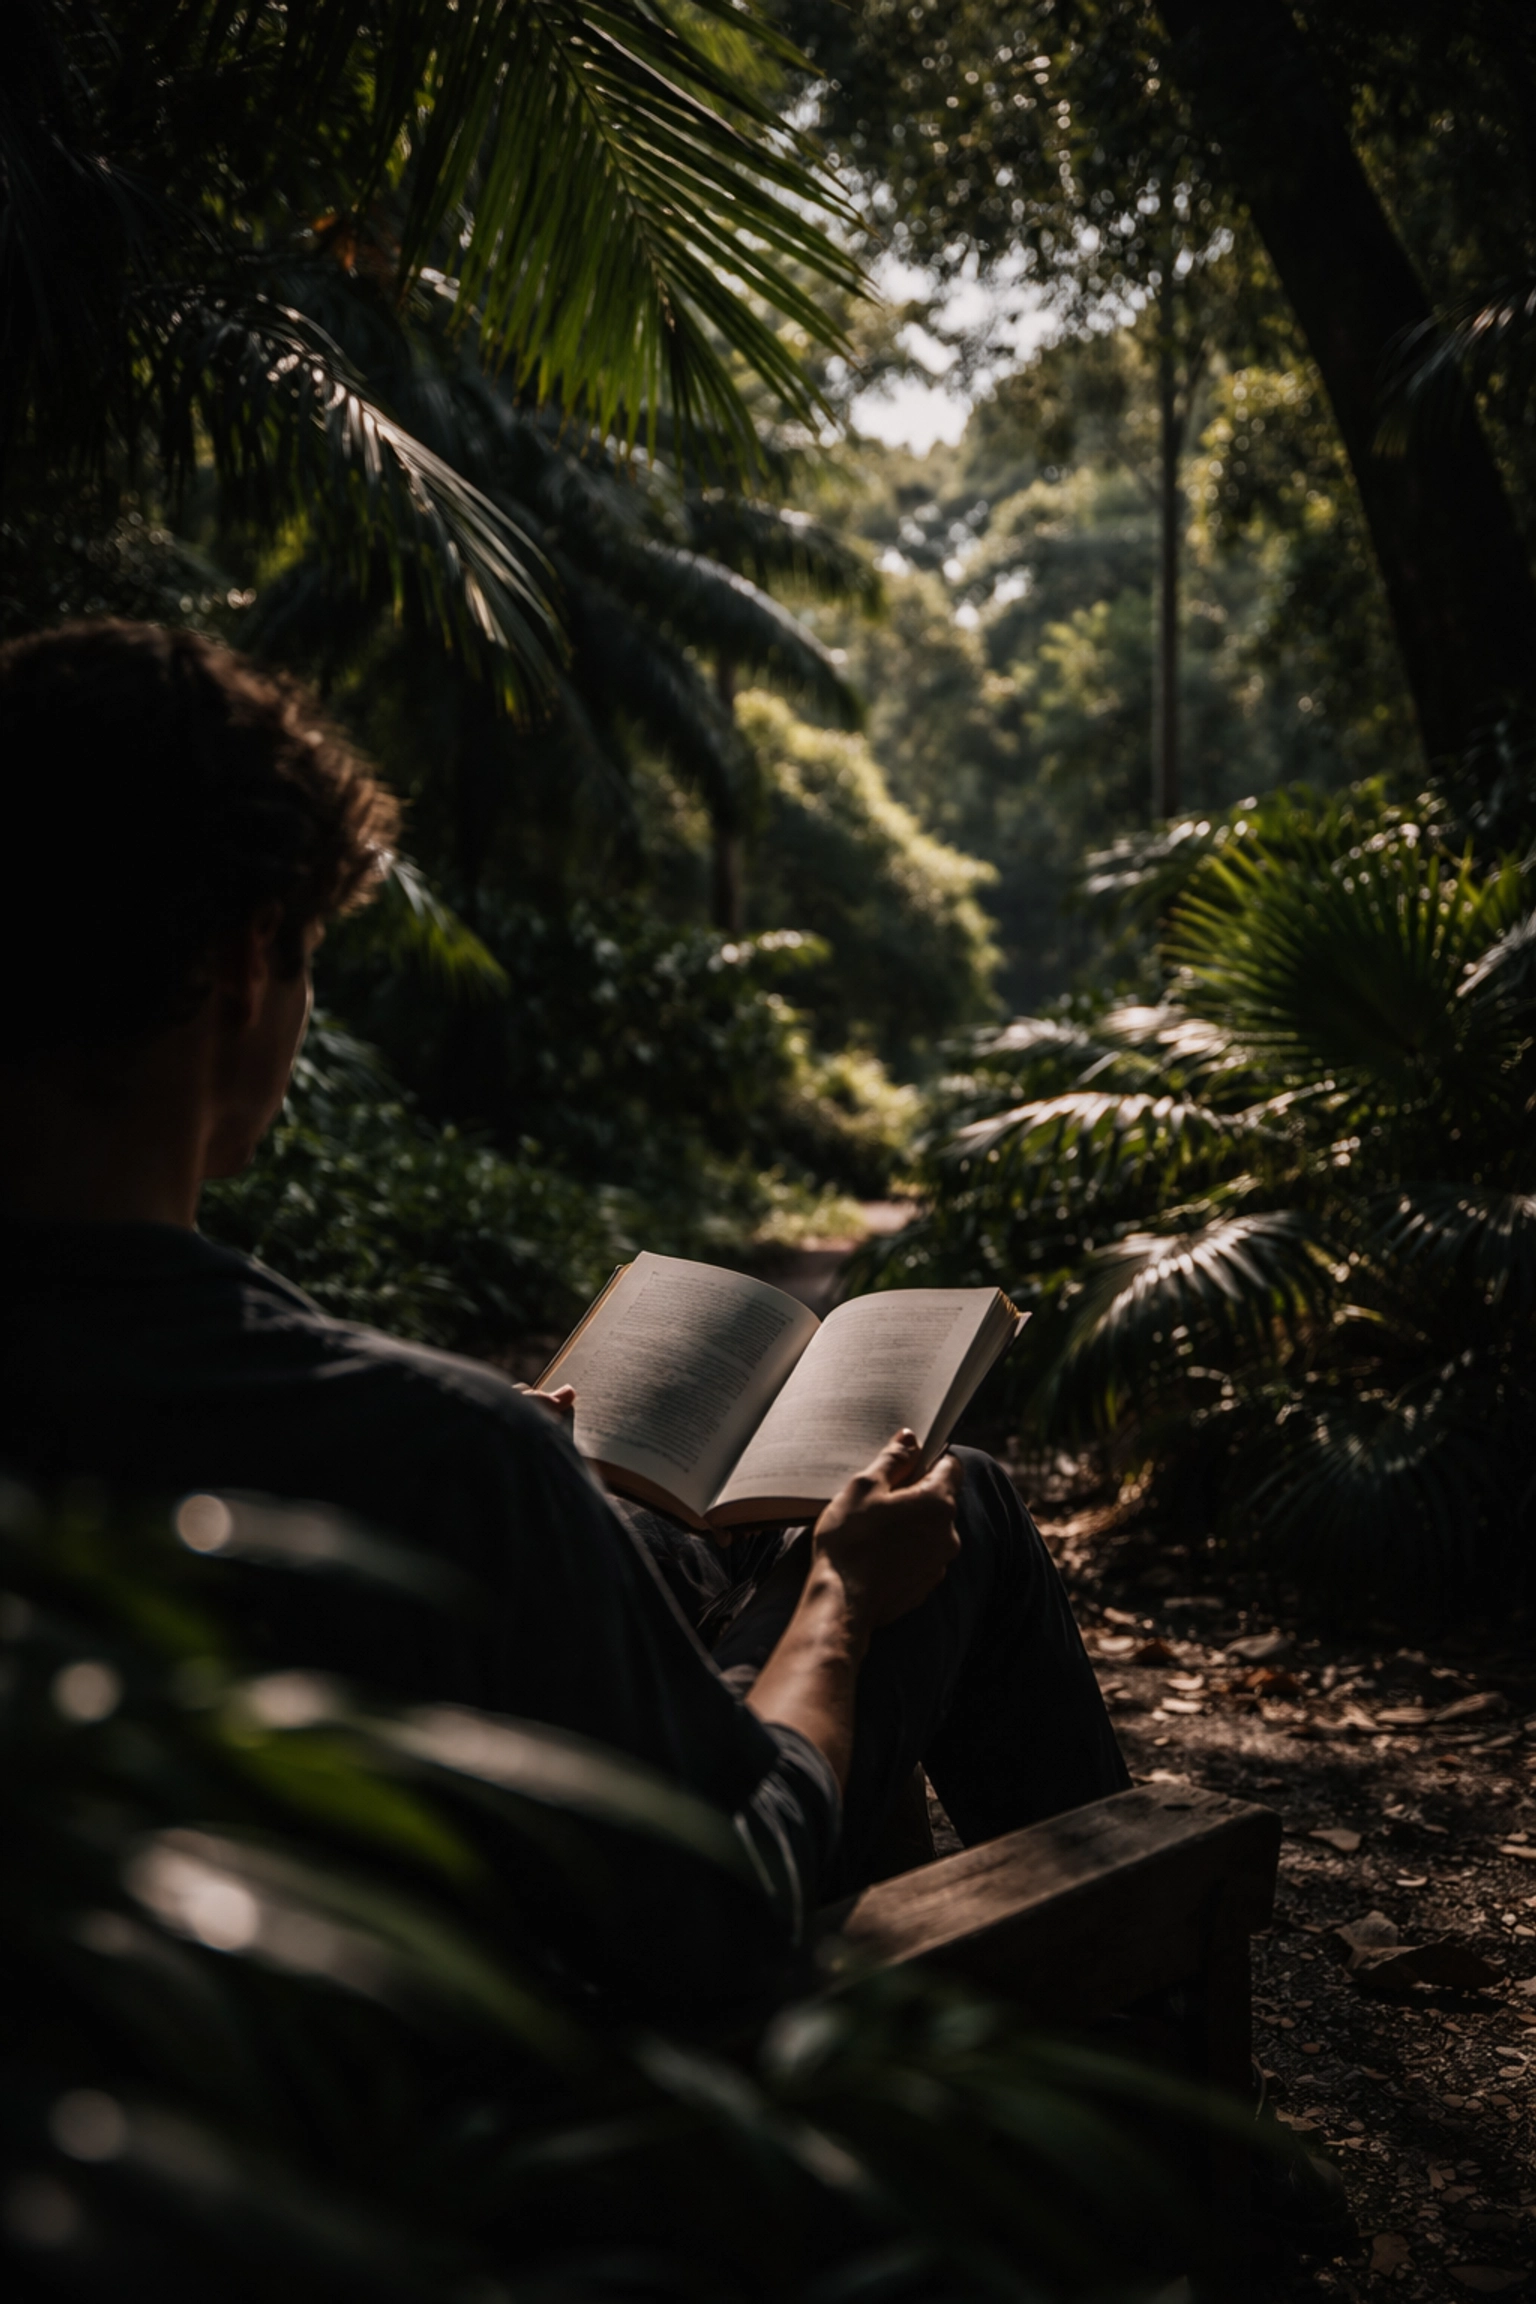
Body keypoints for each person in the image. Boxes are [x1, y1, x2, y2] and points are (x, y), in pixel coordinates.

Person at [0, 619, 1127, 2014]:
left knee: (667, 1537)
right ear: (243, 969)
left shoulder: (413, 1447)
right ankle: (1146, 2106)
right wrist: (838, 1598)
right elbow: (728, 1897)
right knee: (953, 1507)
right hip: (520, 2112)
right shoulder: (445, 1458)